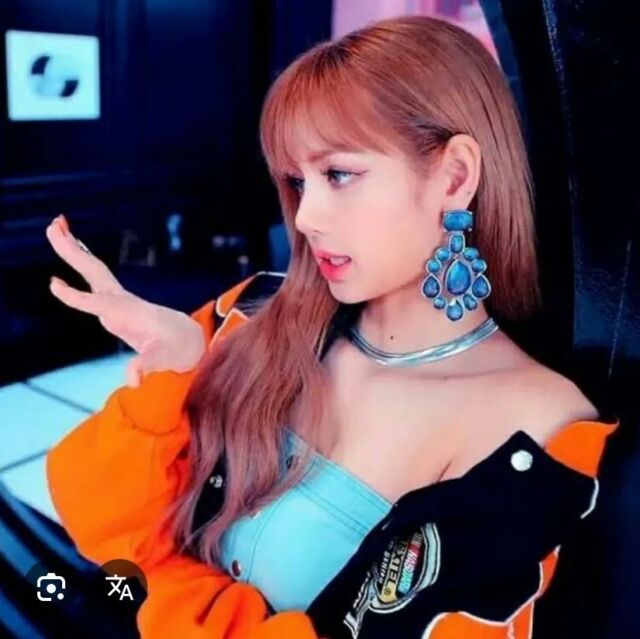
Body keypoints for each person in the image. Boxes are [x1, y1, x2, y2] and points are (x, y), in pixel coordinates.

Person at [44, 15, 620, 639]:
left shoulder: (534, 431)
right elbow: (103, 529)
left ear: (454, 177)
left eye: (340, 174)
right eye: (297, 181)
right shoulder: (250, 313)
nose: (306, 216)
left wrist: (167, 588)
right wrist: (173, 374)